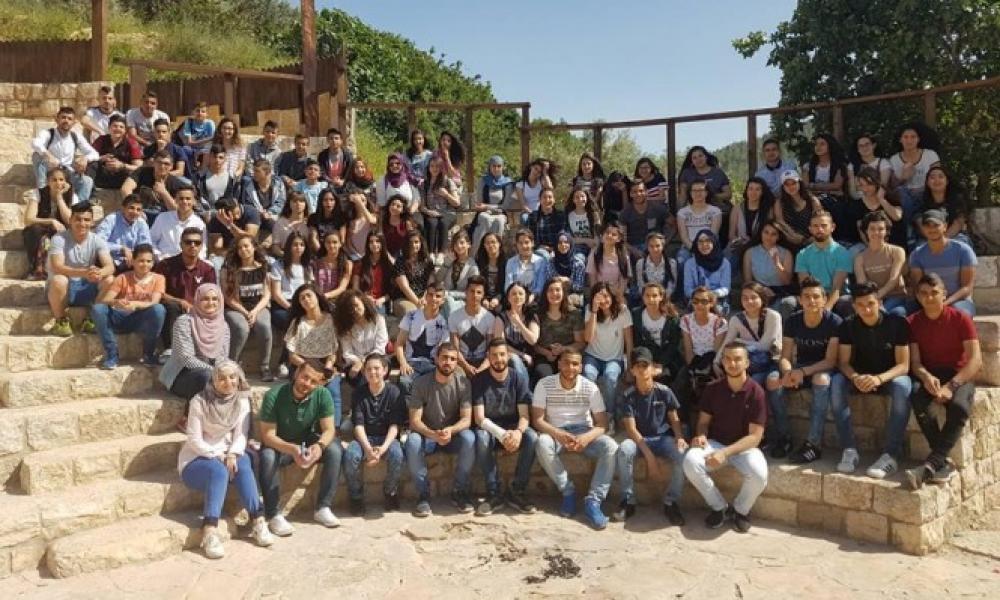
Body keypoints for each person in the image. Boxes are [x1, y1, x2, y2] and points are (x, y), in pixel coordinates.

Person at [178, 360, 274, 558]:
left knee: (243, 463)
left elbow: (241, 434)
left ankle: (258, 520)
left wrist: (232, 453)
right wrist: (218, 455)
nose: (228, 382)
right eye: (221, 378)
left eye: (232, 377)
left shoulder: (241, 401)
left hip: (228, 452)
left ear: (239, 379)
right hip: (197, 458)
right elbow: (194, 439)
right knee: (218, 470)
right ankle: (210, 531)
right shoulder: (199, 401)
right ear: (214, 380)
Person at [905, 273, 982, 490]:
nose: (929, 298)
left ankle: (932, 463)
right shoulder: (912, 322)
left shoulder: (961, 319)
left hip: (960, 374)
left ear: (944, 294)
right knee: (918, 400)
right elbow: (915, 362)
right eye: (924, 293)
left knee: (959, 407)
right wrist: (925, 376)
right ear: (918, 297)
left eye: (934, 293)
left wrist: (951, 386)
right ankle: (941, 462)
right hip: (931, 375)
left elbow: (975, 360)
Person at [683, 342, 768, 532]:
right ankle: (719, 507)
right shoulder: (712, 389)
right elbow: (703, 422)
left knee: (759, 475)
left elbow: (755, 437)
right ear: (722, 361)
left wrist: (725, 453)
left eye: (737, 359)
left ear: (747, 363)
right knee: (690, 461)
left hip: (745, 448)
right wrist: (702, 436)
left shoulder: (757, 393)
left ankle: (740, 510)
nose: (732, 363)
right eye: (728, 359)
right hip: (715, 443)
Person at [532, 348, 618, 530]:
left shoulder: (590, 387)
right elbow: (537, 420)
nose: (570, 368)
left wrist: (585, 438)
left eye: (575, 364)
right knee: (541, 443)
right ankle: (568, 491)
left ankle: (593, 501)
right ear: (559, 364)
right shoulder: (544, 384)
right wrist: (559, 434)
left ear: (581, 367)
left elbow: (602, 424)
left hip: (583, 430)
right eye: (566, 363)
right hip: (555, 431)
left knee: (611, 447)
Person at [834, 281, 913, 478]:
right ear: (854, 306)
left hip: (889, 377)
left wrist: (879, 379)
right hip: (860, 377)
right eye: (860, 305)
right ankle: (849, 449)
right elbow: (843, 363)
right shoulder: (848, 325)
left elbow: (903, 366)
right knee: (836, 382)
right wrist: (855, 377)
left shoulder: (897, 323)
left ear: (879, 302)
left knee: (903, 386)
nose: (866, 309)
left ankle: (890, 455)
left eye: (870, 303)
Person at [258, 359, 344, 535]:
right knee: (267, 457)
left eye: (313, 381)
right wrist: (292, 449)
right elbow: (268, 436)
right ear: (296, 373)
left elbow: (329, 430)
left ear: (319, 383)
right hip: (281, 444)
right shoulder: (274, 395)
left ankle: (323, 507)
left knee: (335, 449)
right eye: (305, 377)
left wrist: (319, 446)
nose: (307, 384)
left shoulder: (322, 395)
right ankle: (273, 514)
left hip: (308, 441)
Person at [775, 277, 846, 464]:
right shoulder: (793, 320)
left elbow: (830, 361)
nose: (811, 300)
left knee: (821, 379)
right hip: (801, 367)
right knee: (773, 380)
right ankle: (784, 438)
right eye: (806, 296)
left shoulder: (834, 322)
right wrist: (788, 373)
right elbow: (785, 356)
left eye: (816, 296)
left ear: (824, 299)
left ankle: (814, 445)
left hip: (823, 369)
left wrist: (802, 372)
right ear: (800, 300)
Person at [614, 347, 688, 524]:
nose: (642, 369)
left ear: (653, 368)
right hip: (639, 440)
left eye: (645, 365)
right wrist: (650, 458)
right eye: (637, 366)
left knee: (683, 454)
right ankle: (628, 501)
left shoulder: (664, 391)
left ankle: (671, 502)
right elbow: (631, 430)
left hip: (662, 439)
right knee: (624, 450)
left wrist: (679, 438)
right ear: (632, 370)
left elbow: (674, 418)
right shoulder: (628, 395)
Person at [405, 342, 476, 517]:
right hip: (428, 435)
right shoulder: (421, 383)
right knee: (413, 441)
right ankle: (423, 495)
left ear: (457, 363)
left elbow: (466, 419)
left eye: (452, 359)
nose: (448, 362)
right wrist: (432, 434)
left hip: (452, 435)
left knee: (469, 438)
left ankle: (459, 491)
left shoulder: (463, 383)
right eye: (444, 357)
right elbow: (414, 421)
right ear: (436, 359)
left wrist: (450, 430)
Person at [472, 339, 539, 515]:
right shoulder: (479, 380)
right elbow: (479, 418)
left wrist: (518, 432)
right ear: (488, 357)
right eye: (494, 355)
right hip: (491, 429)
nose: (498, 359)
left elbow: (524, 415)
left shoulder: (518, 378)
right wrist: (502, 434)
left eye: (502, 354)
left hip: (513, 427)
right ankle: (493, 492)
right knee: (481, 437)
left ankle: (517, 490)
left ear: (508, 356)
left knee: (532, 437)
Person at [343, 353, 406, 515]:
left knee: (397, 454)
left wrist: (383, 448)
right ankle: (356, 496)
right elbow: (358, 426)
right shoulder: (358, 393)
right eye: (369, 369)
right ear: (364, 372)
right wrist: (368, 449)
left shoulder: (394, 392)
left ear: (385, 370)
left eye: (377, 368)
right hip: (364, 438)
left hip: (387, 438)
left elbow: (394, 426)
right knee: (350, 455)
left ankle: (390, 491)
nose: (373, 372)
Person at [90, 243, 166, 369]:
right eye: (141, 261)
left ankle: (148, 354)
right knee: (98, 309)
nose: (145, 264)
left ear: (153, 263)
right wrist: (116, 302)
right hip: (120, 317)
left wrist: (135, 304)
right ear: (133, 261)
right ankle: (112, 354)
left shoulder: (159, 278)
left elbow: (154, 302)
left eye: (149, 261)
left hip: (140, 320)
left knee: (159, 309)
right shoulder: (123, 277)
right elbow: (106, 299)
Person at [717, 283, 782, 427]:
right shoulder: (736, 319)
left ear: (762, 299)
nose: (749, 301)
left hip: (772, 362)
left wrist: (741, 342)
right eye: (745, 298)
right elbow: (727, 343)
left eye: (753, 297)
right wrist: (716, 362)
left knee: (769, 383)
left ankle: (782, 431)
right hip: (752, 365)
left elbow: (765, 345)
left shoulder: (773, 316)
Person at [46, 202, 114, 337]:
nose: (82, 223)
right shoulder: (59, 238)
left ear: (92, 222)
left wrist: (99, 273)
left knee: (110, 279)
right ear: (70, 220)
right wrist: (84, 272)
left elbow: (110, 267)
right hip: (63, 289)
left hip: (85, 286)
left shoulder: (97, 240)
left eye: (87, 220)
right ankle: (61, 321)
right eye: (78, 219)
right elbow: (57, 266)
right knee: (59, 279)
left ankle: (91, 319)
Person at [159, 283, 230, 402]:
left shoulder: (224, 326)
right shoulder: (184, 322)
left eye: (215, 299)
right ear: (197, 300)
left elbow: (223, 357)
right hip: (181, 374)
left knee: (236, 380)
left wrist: (224, 373)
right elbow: (186, 359)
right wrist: (215, 372)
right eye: (205, 299)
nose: (210, 303)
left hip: (212, 373)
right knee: (207, 377)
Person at [154, 228, 217, 350]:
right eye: (188, 242)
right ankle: (171, 350)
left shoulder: (207, 269)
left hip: (198, 309)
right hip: (173, 309)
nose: (193, 245)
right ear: (181, 244)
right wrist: (180, 301)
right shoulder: (165, 265)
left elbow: (211, 295)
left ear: (201, 246)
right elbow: (158, 292)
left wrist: (196, 307)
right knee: (172, 307)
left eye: (197, 243)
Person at [221, 236, 273, 381]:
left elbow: (267, 294)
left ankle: (265, 367)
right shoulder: (228, 269)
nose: (243, 250)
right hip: (235, 308)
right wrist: (245, 312)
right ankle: (232, 365)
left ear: (254, 247)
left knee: (264, 326)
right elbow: (228, 297)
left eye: (246, 246)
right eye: (239, 247)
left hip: (258, 306)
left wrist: (255, 312)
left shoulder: (263, 267)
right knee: (242, 328)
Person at [908, 209, 977, 316]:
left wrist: (944, 304)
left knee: (959, 314)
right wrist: (930, 304)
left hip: (958, 300)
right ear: (923, 228)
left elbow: (967, 287)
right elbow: (918, 287)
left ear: (945, 226)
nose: (932, 229)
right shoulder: (917, 254)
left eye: (936, 225)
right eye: (927, 225)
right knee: (901, 315)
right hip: (928, 300)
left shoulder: (963, 250)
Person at [676, 286, 728, 425]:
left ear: (711, 303)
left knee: (712, 385)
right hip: (694, 360)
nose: (699, 304)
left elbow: (716, 351)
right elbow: (688, 349)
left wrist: (705, 371)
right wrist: (692, 369)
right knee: (682, 382)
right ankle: (684, 423)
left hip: (712, 361)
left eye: (704, 301)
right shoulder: (686, 320)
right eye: (696, 301)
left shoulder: (719, 322)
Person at [582, 282, 633, 422]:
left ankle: (609, 415)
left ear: (612, 296)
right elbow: (588, 338)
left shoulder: (623, 311)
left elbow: (629, 341)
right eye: (599, 297)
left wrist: (629, 368)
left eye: (606, 296)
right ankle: (591, 414)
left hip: (614, 358)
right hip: (593, 355)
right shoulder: (589, 309)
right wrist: (594, 311)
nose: (603, 300)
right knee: (588, 374)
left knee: (610, 377)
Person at [283, 283, 339, 406]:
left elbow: (334, 351)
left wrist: (327, 369)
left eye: (309, 295)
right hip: (301, 365)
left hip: (325, 365)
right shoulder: (297, 322)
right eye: (302, 298)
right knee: (304, 390)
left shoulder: (331, 319)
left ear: (317, 296)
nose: (306, 299)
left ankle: (334, 419)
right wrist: (311, 370)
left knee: (333, 392)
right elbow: (292, 356)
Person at [30, 106, 98, 202]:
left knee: (87, 181)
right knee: (37, 156)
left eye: (69, 119)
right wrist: (48, 155)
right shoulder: (48, 133)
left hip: (67, 174)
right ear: (57, 119)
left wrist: (85, 159)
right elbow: (35, 143)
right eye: (63, 117)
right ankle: (43, 195)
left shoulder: (75, 137)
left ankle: (78, 207)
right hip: (50, 173)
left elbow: (95, 153)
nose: (66, 121)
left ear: (74, 122)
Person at [22, 168, 78, 280]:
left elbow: (69, 220)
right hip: (41, 229)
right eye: (54, 180)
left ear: (66, 182)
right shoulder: (37, 193)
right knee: (33, 231)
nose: (58, 183)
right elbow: (28, 219)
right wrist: (51, 221)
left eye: (61, 180)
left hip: (61, 230)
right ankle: (36, 269)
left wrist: (59, 197)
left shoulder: (72, 196)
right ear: (48, 182)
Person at [794, 210, 852, 316]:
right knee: (788, 303)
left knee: (847, 302)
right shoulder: (802, 255)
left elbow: (837, 288)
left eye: (824, 225)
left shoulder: (843, 253)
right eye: (815, 226)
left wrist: (825, 311)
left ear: (832, 227)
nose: (819, 229)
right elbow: (805, 286)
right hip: (812, 296)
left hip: (836, 297)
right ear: (810, 229)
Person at [395, 284, 449, 397]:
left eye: (438, 296)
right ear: (425, 296)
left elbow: (443, 350)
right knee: (405, 383)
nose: (433, 298)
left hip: (432, 365)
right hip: (411, 363)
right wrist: (403, 363)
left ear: (443, 301)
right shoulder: (411, 316)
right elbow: (399, 344)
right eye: (430, 295)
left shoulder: (444, 324)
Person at [854, 211, 908, 317]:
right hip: (871, 299)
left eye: (881, 229)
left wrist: (877, 297)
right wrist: (873, 300)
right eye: (872, 229)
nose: (876, 232)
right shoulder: (859, 258)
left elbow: (894, 279)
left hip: (896, 296)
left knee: (893, 313)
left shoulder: (897, 251)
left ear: (886, 231)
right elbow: (863, 284)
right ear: (866, 231)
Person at [335, 290, 389, 395]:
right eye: (350, 308)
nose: (354, 310)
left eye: (356, 305)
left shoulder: (378, 320)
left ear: (363, 302)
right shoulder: (345, 327)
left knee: (374, 374)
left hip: (377, 359)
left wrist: (364, 362)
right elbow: (347, 352)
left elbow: (380, 347)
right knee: (359, 380)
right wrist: (358, 362)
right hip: (354, 363)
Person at [533, 278, 585, 379]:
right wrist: (548, 353)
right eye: (550, 290)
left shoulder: (573, 314)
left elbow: (580, 343)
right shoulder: (538, 314)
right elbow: (534, 344)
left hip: (568, 355)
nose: (554, 293)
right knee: (544, 375)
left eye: (557, 290)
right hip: (544, 356)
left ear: (563, 292)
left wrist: (563, 349)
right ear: (545, 293)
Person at [632, 282, 683, 384]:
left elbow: (674, 344)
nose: (651, 299)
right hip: (646, 355)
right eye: (647, 295)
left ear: (661, 297)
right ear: (643, 297)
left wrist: (661, 363)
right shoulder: (636, 314)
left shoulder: (672, 317)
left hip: (667, 356)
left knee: (666, 376)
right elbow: (637, 341)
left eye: (654, 296)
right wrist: (648, 362)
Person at [801, 134, 850, 240]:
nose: (818, 147)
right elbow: (805, 186)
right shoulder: (808, 166)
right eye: (816, 144)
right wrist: (828, 188)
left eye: (822, 144)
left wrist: (814, 186)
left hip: (835, 200)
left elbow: (837, 185)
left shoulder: (839, 165)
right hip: (814, 199)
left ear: (830, 146)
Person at [889, 122, 942, 221]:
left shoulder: (930, 155)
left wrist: (923, 188)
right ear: (900, 140)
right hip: (905, 196)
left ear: (918, 139)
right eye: (906, 137)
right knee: (902, 192)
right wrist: (903, 178)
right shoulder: (894, 159)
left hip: (926, 192)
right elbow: (892, 186)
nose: (909, 140)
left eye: (913, 137)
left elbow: (938, 176)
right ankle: (909, 224)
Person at [742, 221, 796, 316]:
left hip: (780, 292)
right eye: (766, 232)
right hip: (759, 290)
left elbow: (787, 281)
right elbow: (748, 281)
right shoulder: (750, 253)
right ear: (761, 233)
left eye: (773, 234)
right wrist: (761, 289)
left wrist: (777, 264)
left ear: (778, 237)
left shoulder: (786, 253)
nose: (769, 236)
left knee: (785, 304)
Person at [847, 166, 905, 251]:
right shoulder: (857, 205)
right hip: (870, 246)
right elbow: (861, 231)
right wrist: (875, 250)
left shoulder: (891, 199)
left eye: (869, 184)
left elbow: (897, 217)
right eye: (862, 185)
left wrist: (881, 200)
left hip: (894, 244)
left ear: (877, 183)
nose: (865, 189)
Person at [122, 150, 188, 224]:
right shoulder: (142, 172)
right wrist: (135, 209)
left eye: (166, 164)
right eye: (159, 162)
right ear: (154, 163)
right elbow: (125, 188)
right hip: (141, 214)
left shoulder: (176, 184)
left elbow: (177, 212)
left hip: (164, 219)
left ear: (171, 166)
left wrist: (164, 192)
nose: (162, 166)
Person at [491, 282, 539, 383]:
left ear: (525, 297)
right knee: (514, 359)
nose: (517, 296)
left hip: (529, 359)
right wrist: (521, 355)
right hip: (509, 357)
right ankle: (525, 389)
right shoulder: (501, 317)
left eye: (520, 294)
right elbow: (501, 344)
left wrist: (519, 323)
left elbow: (533, 340)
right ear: (508, 298)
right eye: (514, 294)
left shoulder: (531, 316)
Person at [449, 275, 495, 377]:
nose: (475, 295)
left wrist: (481, 368)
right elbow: (455, 349)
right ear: (466, 292)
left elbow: (490, 349)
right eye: (472, 291)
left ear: (483, 295)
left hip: (483, 362)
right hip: (461, 361)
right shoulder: (454, 317)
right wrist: (466, 366)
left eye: (479, 292)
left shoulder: (489, 318)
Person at [94, 193, 151, 274]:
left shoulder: (141, 223)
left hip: (132, 261)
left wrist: (135, 255)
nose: (134, 212)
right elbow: (98, 242)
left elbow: (146, 245)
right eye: (131, 208)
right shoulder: (112, 219)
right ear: (123, 208)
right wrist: (121, 248)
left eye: (138, 210)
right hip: (110, 259)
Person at [916, 166, 970, 247]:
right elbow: (921, 225)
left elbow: (958, 223)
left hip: (955, 237)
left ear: (947, 181)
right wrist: (936, 240)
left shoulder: (957, 200)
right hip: (930, 238)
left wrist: (942, 240)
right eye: (932, 177)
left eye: (940, 177)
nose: (937, 180)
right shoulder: (920, 202)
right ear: (927, 183)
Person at [149, 185, 207, 260]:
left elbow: (202, 248)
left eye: (188, 198)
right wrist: (158, 256)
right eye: (181, 198)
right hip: (164, 261)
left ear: (194, 201)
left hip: (188, 262)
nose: (184, 201)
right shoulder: (162, 218)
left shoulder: (199, 224)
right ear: (175, 200)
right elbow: (151, 240)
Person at [420, 156, 461, 260]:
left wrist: (446, 194)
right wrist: (429, 212)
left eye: (437, 166)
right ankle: (431, 253)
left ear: (441, 168)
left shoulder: (448, 182)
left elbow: (457, 203)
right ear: (428, 168)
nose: (434, 169)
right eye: (432, 166)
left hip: (448, 212)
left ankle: (442, 253)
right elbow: (422, 206)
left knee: (443, 223)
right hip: (431, 213)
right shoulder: (424, 184)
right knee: (432, 223)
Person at [727, 177, 775, 264]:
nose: (753, 192)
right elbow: (731, 235)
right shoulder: (737, 209)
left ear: (762, 192)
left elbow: (770, 233)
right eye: (750, 189)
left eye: (757, 189)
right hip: (739, 246)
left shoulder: (768, 210)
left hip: (760, 246)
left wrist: (752, 243)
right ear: (746, 190)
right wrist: (739, 241)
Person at [472, 155, 513, 255]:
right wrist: (486, 208)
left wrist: (487, 206)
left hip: (500, 213)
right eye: (493, 166)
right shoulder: (483, 181)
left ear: (503, 167)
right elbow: (479, 203)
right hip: (485, 213)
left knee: (499, 221)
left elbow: (505, 206)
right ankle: (476, 253)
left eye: (499, 166)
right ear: (489, 167)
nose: (496, 169)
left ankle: (496, 254)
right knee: (485, 219)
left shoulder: (508, 183)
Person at [676, 181, 724, 266]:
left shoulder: (715, 211)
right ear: (690, 193)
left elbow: (713, 234)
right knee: (681, 261)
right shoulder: (682, 212)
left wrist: (703, 248)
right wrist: (694, 249)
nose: (698, 193)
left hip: (709, 246)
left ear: (706, 193)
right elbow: (684, 237)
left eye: (701, 190)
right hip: (688, 247)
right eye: (694, 191)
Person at [683, 229, 731, 313]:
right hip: (697, 298)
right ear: (696, 244)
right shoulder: (689, 263)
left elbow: (725, 288)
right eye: (700, 242)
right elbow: (687, 289)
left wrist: (712, 294)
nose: (704, 244)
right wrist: (701, 295)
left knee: (717, 310)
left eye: (708, 241)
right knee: (696, 309)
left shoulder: (724, 263)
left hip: (717, 297)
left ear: (714, 243)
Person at [773, 170, 823, 250]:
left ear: (799, 183)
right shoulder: (779, 203)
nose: (791, 187)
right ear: (783, 187)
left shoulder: (812, 201)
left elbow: (821, 220)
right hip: (789, 240)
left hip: (812, 240)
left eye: (794, 183)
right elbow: (780, 222)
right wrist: (793, 235)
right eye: (787, 184)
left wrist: (813, 237)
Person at [91, 114, 143, 191]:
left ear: (125, 130)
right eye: (115, 126)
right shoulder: (101, 140)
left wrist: (122, 166)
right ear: (109, 128)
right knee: (93, 164)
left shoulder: (132, 143)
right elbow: (89, 157)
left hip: (123, 178)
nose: (118, 129)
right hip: (103, 176)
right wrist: (101, 158)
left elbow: (139, 168)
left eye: (121, 127)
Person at [620, 179, 670, 260]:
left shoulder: (657, 208)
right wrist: (634, 251)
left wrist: (665, 242)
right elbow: (622, 238)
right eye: (635, 192)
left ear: (646, 192)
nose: (638, 194)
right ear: (630, 194)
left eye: (641, 191)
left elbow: (674, 225)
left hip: (655, 245)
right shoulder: (625, 212)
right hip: (634, 248)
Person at [391, 231, 436, 317]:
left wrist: (424, 298)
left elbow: (431, 284)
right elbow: (404, 287)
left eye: (416, 242)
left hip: (424, 298)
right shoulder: (400, 261)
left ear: (421, 243)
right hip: (403, 298)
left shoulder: (428, 261)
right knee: (413, 313)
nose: (413, 245)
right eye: (410, 242)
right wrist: (418, 303)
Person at [586, 221, 632, 301]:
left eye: (614, 234)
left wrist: (619, 296)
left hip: (617, 294)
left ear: (618, 239)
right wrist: (598, 295)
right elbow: (592, 278)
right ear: (602, 236)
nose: (609, 236)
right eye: (607, 233)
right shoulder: (594, 255)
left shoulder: (624, 257)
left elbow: (624, 279)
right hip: (600, 293)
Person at [351, 231, 394, 312]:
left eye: (377, 241)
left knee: (378, 313)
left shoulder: (388, 264)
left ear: (382, 243)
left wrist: (382, 299)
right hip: (363, 300)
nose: (374, 244)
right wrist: (364, 297)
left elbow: (393, 288)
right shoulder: (360, 263)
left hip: (382, 302)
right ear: (368, 244)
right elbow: (355, 288)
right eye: (371, 242)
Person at [440, 230, 480, 317]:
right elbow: (438, 279)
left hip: (464, 302)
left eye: (462, 243)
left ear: (468, 244)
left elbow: (473, 291)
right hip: (445, 301)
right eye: (456, 244)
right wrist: (446, 264)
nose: (458, 246)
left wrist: (450, 294)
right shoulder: (450, 260)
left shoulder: (473, 266)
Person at [242, 159, 286, 235]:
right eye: (254, 170)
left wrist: (269, 212)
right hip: (255, 216)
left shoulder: (278, 183)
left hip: (272, 215)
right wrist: (260, 212)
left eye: (257, 171)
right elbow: (247, 203)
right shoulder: (248, 184)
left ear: (267, 172)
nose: (253, 173)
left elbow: (280, 202)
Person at [504, 228, 549, 300]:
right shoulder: (511, 262)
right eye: (520, 243)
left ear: (532, 243)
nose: (524, 246)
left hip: (534, 300)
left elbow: (540, 287)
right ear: (517, 244)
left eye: (527, 242)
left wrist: (530, 298)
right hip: (515, 299)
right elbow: (508, 285)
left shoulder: (541, 262)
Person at [847, 134, 893, 200]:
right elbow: (852, 191)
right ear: (857, 149)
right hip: (859, 199)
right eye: (861, 146)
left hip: (880, 199)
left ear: (874, 145)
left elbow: (883, 185)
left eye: (867, 144)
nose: (864, 148)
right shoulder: (852, 165)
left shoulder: (883, 163)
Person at [312, 230, 352, 301]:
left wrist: (325, 296)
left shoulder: (347, 264)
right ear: (324, 244)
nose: (331, 245)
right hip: (318, 299)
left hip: (337, 300)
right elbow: (313, 283)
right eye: (328, 242)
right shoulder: (316, 263)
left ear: (340, 244)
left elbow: (342, 288)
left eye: (335, 242)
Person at [526, 187, 566, 255]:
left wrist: (555, 248)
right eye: (544, 197)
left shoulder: (561, 216)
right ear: (540, 200)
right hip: (540, 249)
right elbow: (530, 236)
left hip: (559, 248)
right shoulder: (533, 216)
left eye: (550, 197)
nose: (547, 200)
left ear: (554, 200)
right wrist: (539, 246)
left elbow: (564, 234)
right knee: (544, 255)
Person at [271, 191, 311, 258]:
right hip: (285, 256)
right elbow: (275, 247)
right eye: (295, 201)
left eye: (301, 201)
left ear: (305, 204)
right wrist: (287, 257)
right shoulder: (280, 222)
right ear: (289, 203)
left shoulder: (310, 222)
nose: (298, 204)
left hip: (305, 257)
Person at [550, 232, 587, 303]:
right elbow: (549, 281)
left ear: (571, 244)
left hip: (573, 296)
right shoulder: (551, 262)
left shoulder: (578, 263)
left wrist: (568, 281)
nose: (563, 245)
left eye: (566, 242)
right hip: (555, 293)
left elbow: (579, 286)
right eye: (560, 243)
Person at [476, 231, 507, 311]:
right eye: (487, 243)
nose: (490, 245)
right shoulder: (479, 263)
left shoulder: (507, 263)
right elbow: (477, 284)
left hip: (501, 298)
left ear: (499, 244)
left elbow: (505, 286)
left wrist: (497, 299)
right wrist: (483, 298)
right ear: (484, 245)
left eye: (493, 242)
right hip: (483, 297)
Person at [343, 191, 378, 261]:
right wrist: (356, 255)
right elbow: (348, 242)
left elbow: (371, 220)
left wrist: (359, 202)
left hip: (371, 256)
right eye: (358, 200)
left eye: (363, 200)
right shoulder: (351, 222)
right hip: (356, 257)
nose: (360, 202)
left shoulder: (373, 216)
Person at [565, 188, 600, 256]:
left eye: (582, 196)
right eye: (577, 197)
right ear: (573, 200)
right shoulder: (568, 216)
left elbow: (598, 235)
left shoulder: (594, 215)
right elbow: (568, 237)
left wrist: (594, 249)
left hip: (593, 247)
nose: (580, 199)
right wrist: (586, 241)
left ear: (587, 198)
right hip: (577, 247)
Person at [380, 193, 416, 258]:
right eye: (392, 204)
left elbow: (412, 239)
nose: (394, 207)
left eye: (398, 206)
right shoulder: (383, 221)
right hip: (385, 253)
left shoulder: (406, 223)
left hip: (401, 256)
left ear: (403, 210)